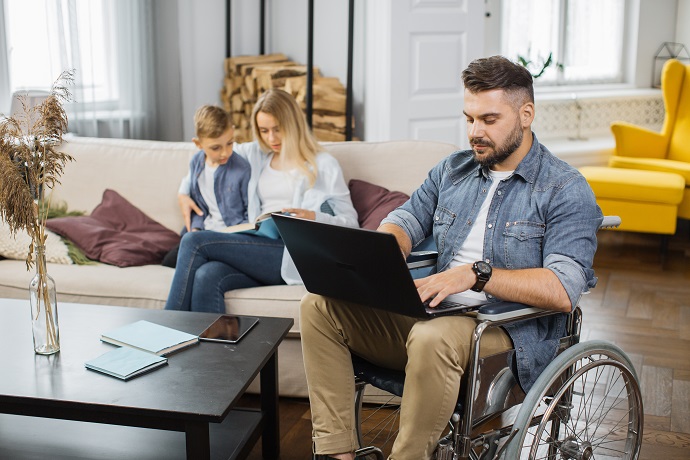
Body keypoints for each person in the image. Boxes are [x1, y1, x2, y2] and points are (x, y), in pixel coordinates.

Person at [301, 55, 603, 460]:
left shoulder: (565, 188)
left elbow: (564, 289)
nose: (475, 132)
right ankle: (339, 453)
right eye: (469, 118)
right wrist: (386, 247)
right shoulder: (453, 170)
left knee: (432, 336)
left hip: (505, 332)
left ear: (526, 114)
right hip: (433, 315)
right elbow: (405, 217)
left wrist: (475, 275)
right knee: (319, 307)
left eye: (489, 119)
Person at [165, 89, 358, 314]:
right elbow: (209, 154)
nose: (271, 138)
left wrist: (312, 216)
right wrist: (183, 193)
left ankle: (161, 335)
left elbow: (351, 224)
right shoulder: (255, 154)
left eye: (278, 129)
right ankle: (207, 349)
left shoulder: (324, 164)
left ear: (294, 124)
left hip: (292, 253)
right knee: (207, 275)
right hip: (257, 246)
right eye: (264, 131)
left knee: (193, 241)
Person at [162, 105, 250, 268]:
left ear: (232, 131)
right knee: (168, 262)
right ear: (198, 144)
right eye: (216, 148)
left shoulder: (241, 169)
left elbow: (249, 213)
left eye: (230, 143)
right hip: (202, 233)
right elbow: (198, 206)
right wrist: (195, 229)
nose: (225, 153)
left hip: (228, 237)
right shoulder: (196, 163)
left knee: (200, 266)